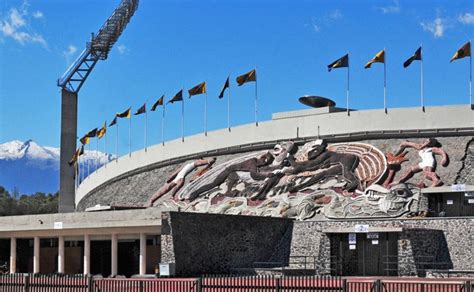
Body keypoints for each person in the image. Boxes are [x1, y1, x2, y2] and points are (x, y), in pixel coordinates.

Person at [145, 157, 216, 207]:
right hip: (180, 178)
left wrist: (171, 177)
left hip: (177, 178)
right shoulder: (194, 163)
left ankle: (153, 201)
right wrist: (209, 161)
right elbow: (200, 162)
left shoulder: (187, 165)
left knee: (164, 190)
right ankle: (170, 196)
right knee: (176, 186)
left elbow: (177, 171)